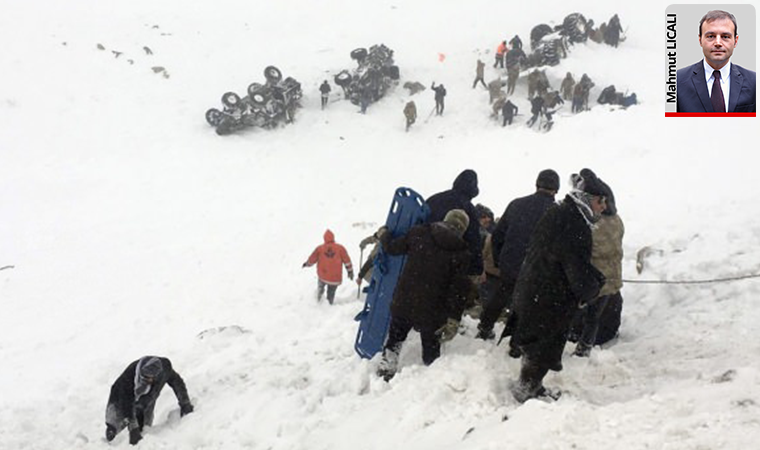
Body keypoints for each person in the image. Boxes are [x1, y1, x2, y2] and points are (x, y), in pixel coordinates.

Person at [508, 171, 607, 403]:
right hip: (548, 298)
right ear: (586, 197)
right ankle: (527, 390)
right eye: (600, 201)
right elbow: (575, 266)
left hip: (536, 289)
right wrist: (591, 288)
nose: (603, 207)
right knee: (542, 347)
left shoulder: (561, 212)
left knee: (536, 345)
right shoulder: (574, 223)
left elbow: (562, 257)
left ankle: (531, 385)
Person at [375, 209, 472, 380]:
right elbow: (459, 290)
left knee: (395, 339)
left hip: (404, 300)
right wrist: (454, 319)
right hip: (432, 311)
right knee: (431, 350)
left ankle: (386, 371)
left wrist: (384, 235)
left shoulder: (419, 233)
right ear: (463, 229)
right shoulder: (461, 253)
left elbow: (392, 247)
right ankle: (429, 381)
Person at [476, 169, 559, 340]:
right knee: (531, 302)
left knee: (502, 293)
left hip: (511, 262)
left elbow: (497, 235)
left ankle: (485, 326)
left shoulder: (516, 204)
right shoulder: (556, 211)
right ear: (556, 189)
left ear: (537, 185)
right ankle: (519, 338)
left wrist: (501, 259)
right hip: (537, 266)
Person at [571, 169, 624, 357]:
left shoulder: (591, 224)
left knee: (589, 317)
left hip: (593, 284)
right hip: (612, 284)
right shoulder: (616, 221)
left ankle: (583, 347)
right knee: (603, 313)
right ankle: (594, 340)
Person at [676, 10, 756, 113]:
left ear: (735, 41)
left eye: (725, 37)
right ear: (700, 40)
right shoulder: (677, 81)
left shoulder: (754, 82)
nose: (718, 43)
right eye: (711, 36)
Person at [105, 356, 193, 445]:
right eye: (146, 377)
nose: (149, 379)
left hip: (147, 400)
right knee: (115, 422)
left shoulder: (164, 370)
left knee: (145, 428)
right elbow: (126, 403)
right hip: (120, 397)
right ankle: (109, 440)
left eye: (151, 378)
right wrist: (132, 427)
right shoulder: (129, 377)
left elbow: (176, 382)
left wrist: (185, 402)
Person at [425, 169, 483, 277]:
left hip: (422, 255)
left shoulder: (434, 199)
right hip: (446, 265)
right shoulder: (469, 210)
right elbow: (474, 241)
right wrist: (476, 267)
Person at [302, 229, 354, 304]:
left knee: (320, 289)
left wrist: (307, 264)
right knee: (331, 293)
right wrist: (350, 271)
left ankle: (319, 302)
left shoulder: (320, 249)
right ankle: (329, 304)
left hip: (323, 275)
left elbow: (312, 259)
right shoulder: (340, 248)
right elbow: (347, 261)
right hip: (335, 278)